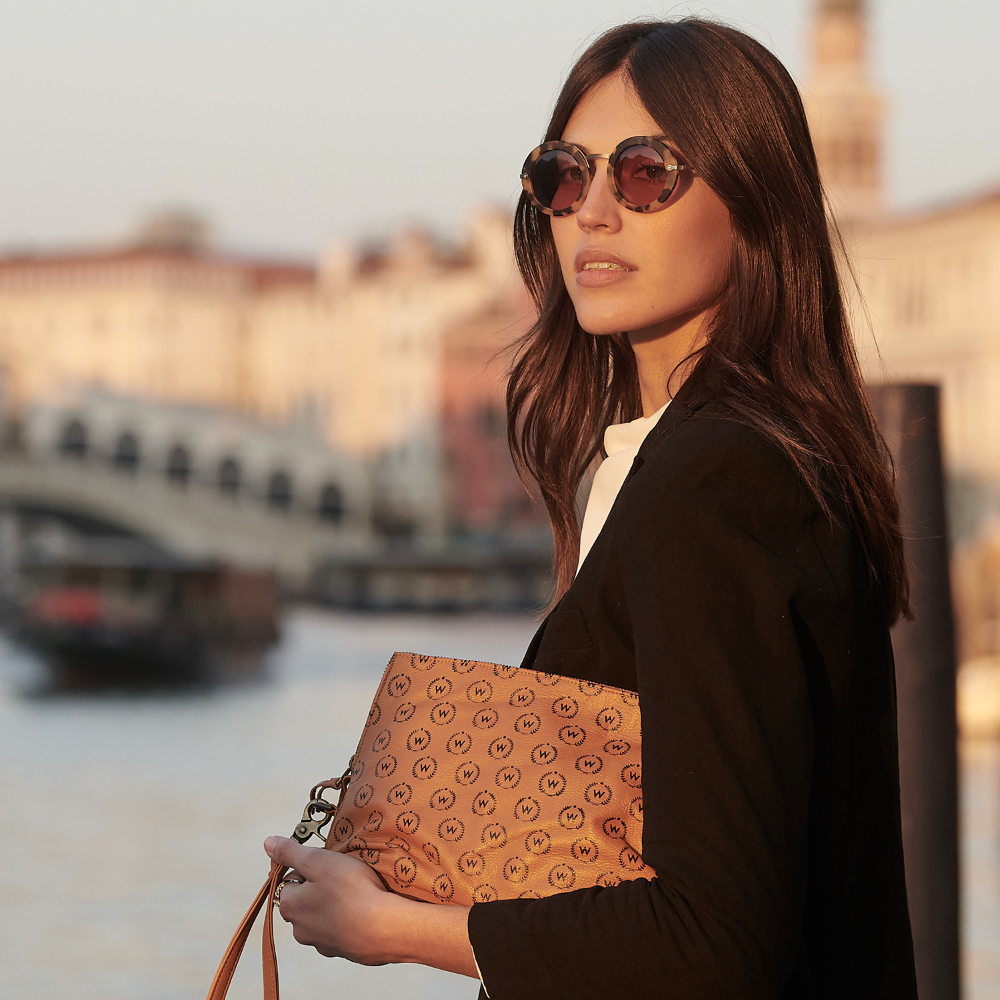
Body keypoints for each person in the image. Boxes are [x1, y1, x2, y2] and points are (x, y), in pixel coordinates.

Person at [265, 18, 918, 999]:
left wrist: (391, 927)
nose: (594, 213)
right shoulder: (720, 457)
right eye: (563, 177)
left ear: (755, 199)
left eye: (647, 174)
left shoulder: (718, 477)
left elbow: (712, 938)